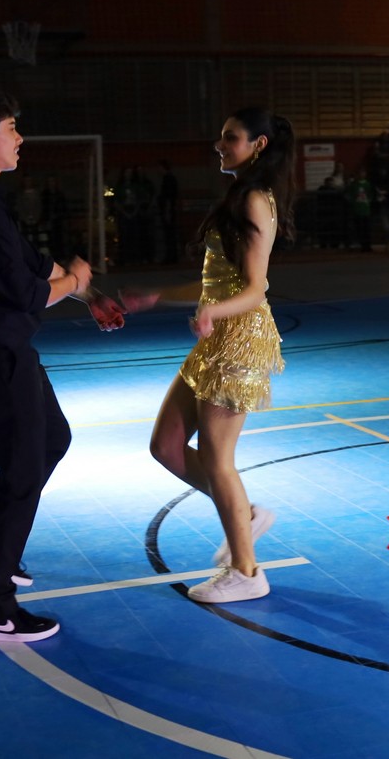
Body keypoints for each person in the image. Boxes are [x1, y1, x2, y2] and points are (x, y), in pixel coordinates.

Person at [0, 88, 123, 644]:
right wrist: (74, 280)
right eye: (12, 128)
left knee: (53, 439)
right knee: (21, 473)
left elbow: (35, 264)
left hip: (9, 347)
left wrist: (88, 294)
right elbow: (27, 291)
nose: (20, 138)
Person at [120, 106, 297, 604]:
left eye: (230, 137)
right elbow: (215, 282)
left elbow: (256, 288)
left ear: (259, 145)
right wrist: (156, 297)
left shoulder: (256, 201)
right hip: (216, 339)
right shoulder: (238, 196)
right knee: (166, 446)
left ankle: (247, 572)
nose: (220, 145)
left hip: (240, 340)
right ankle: (245, 513)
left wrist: (213, 312)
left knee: (219, 461)